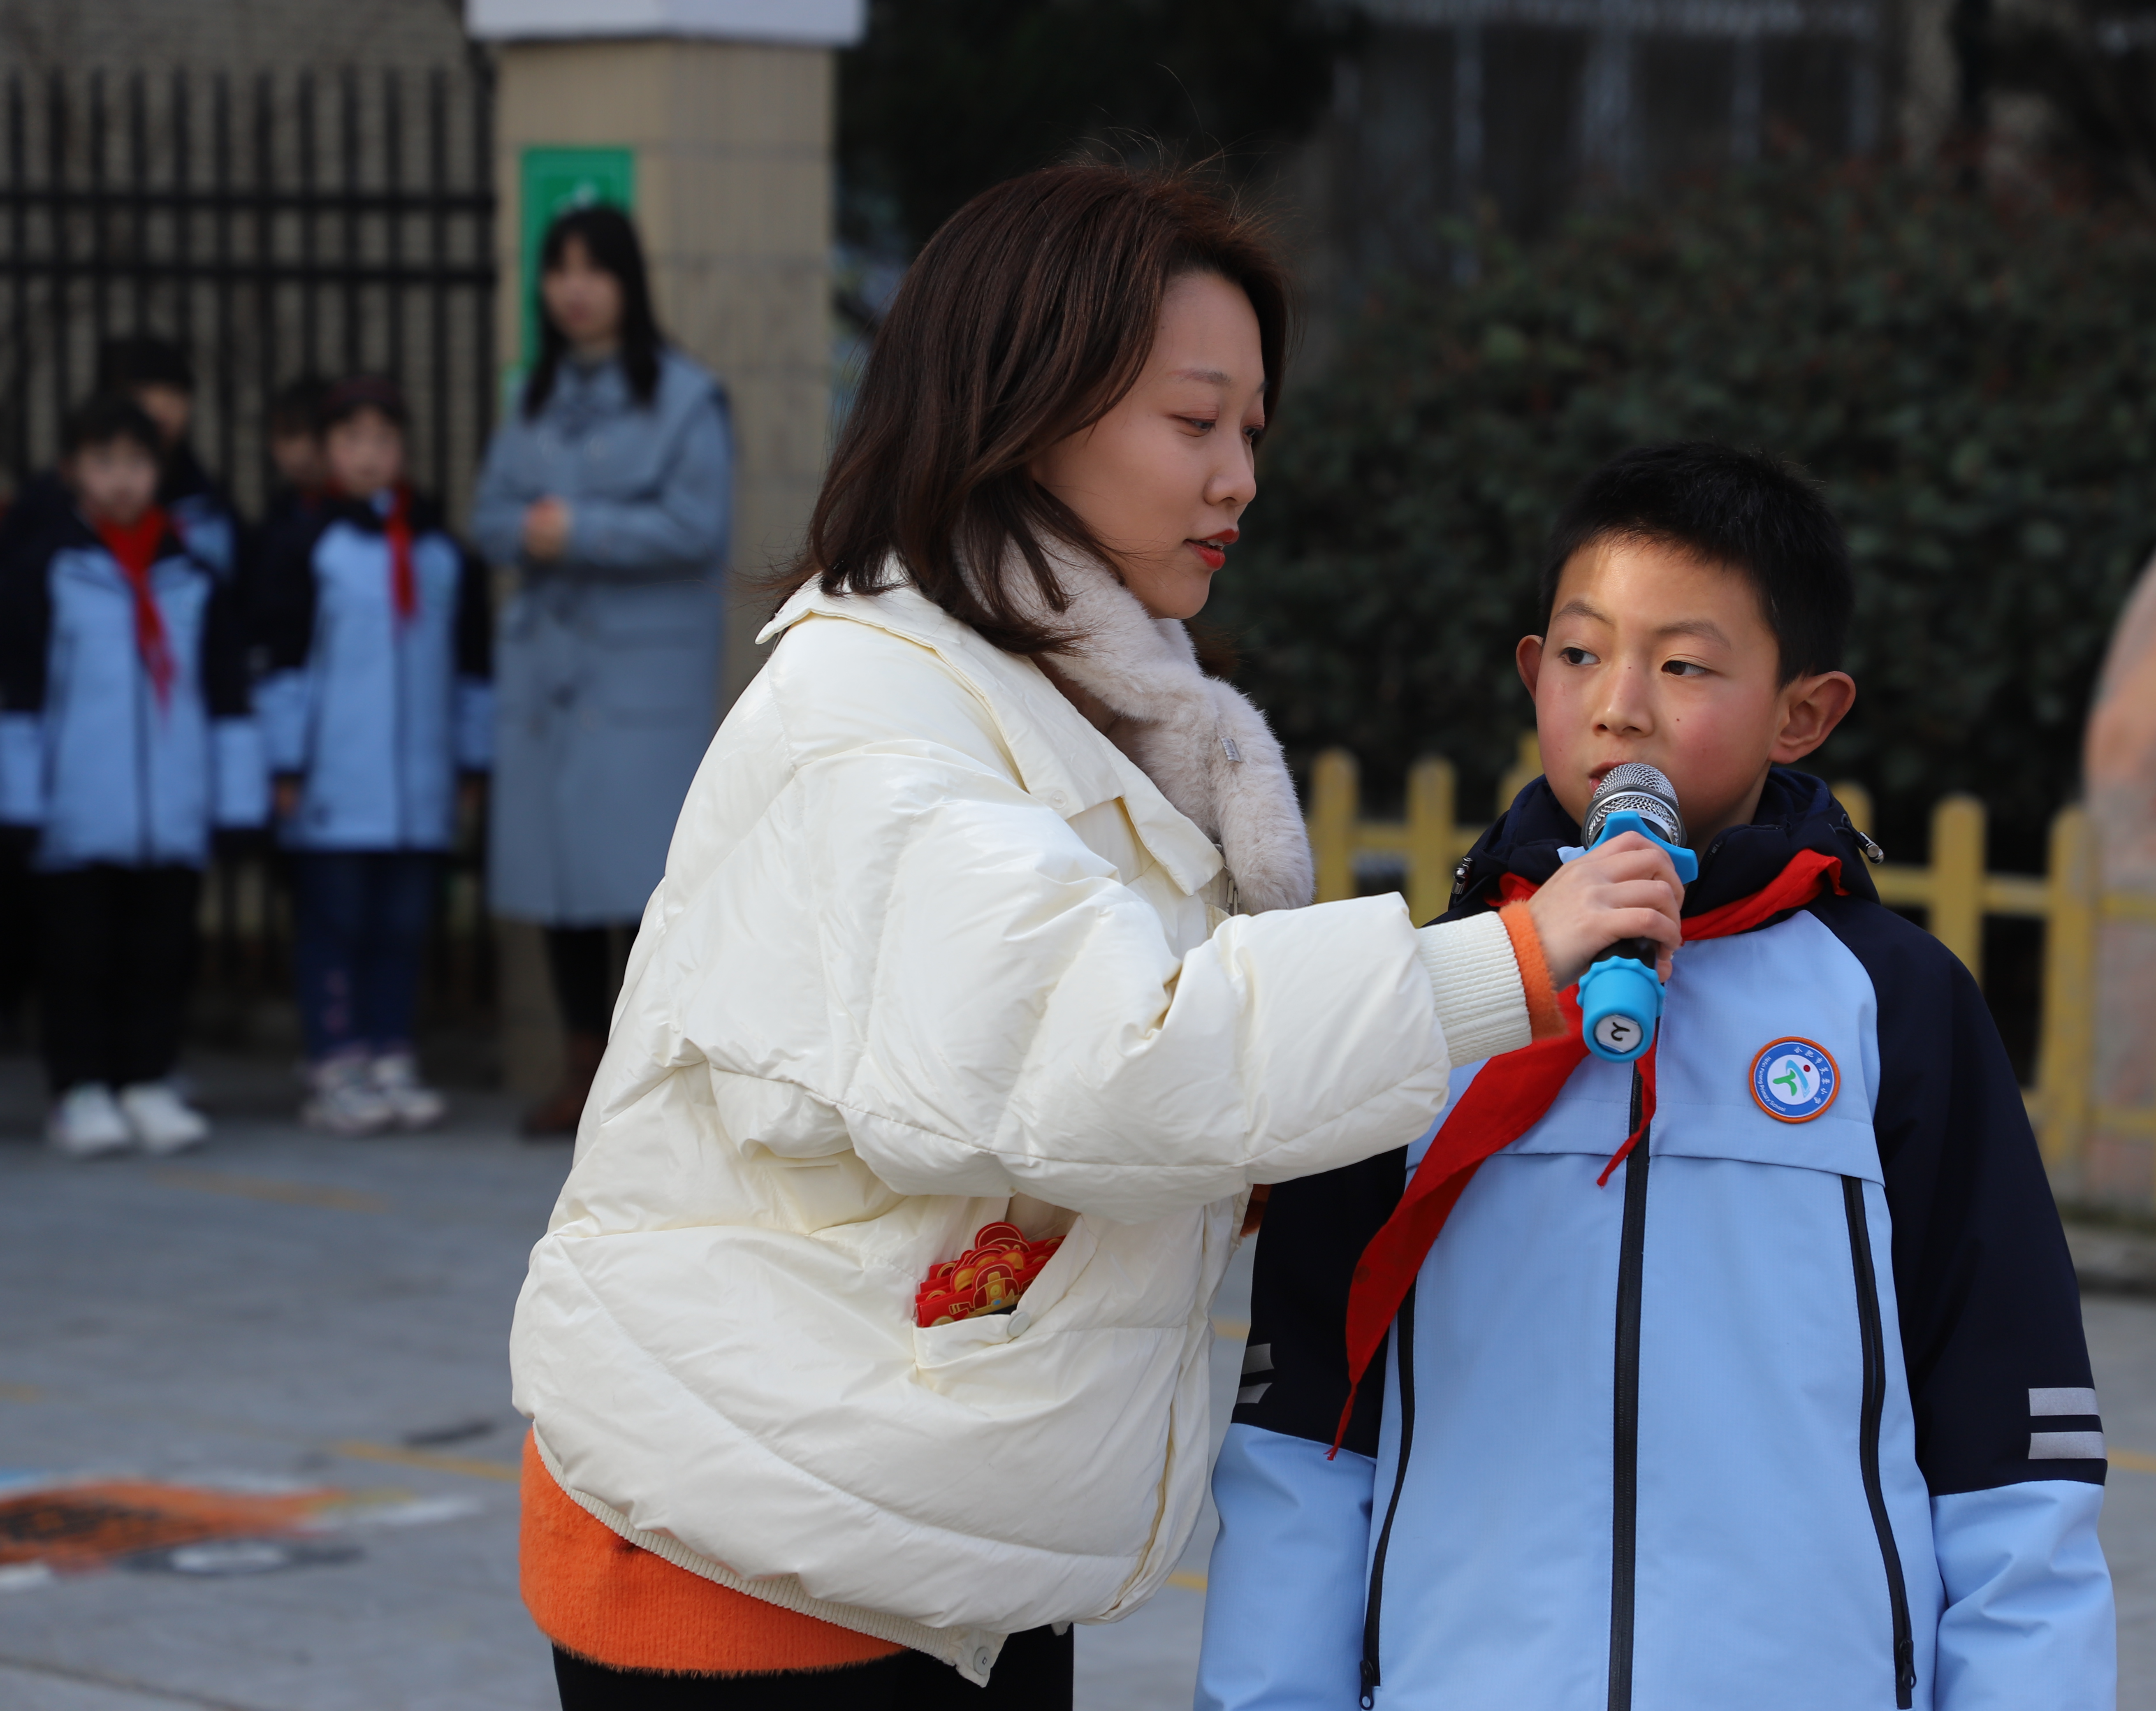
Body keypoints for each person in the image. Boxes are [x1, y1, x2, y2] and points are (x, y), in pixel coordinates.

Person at [505, 163, 1686, 1709]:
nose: (1238, 478)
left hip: (921, 1528)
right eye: (1194, 422)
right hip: (760, 1553)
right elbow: (1119, 1052)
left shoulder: (1073, 700)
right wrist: (1509, 965)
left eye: (1253, 429)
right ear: (1023, 408)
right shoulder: (880, 717)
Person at [1194, 443, 2117, 1711]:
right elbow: (1306, 1428)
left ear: (1804, 711)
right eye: (1579, 654)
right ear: (1532, 674)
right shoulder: (1422, 996)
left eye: (1682, 666)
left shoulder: (1894, 1007)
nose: (1619, 705)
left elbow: (2011, 1445)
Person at [468, 204, 732, 1136]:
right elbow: (491, 515)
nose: (574, 289)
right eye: (559, 269)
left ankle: (648, 1085)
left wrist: (579, 529)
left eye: (595, 269)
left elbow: (699, 527)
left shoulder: (686, 399)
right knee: (561, 884)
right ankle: (583, 1069)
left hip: (638, 690)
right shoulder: (531, 399)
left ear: (629, 283)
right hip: (550, 680)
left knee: (643, 887)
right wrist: (533, 529)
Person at [0, 394, 264, 1156]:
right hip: (76, 813)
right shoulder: (47, 570)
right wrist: (19, 799)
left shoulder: (191, 575)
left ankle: (148, 1079)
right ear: (73, 470)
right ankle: (79, 1089)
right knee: (78, 957)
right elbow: (21, 695)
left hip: (170, 814)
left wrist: (237, 801)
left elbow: (225, 699)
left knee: (160, 952)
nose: (121, 479)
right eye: (104, 461)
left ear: (159, 470)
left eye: (137, 462)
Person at [250, 377, 492, 1135]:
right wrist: (286, 765)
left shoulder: (443, 554)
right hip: (334, 783)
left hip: (417, 788)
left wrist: (471, 763)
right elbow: (284, 664)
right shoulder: (307, 547)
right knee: (335, 923)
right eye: (351, 440)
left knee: (403, 925)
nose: (368, 455)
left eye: (383, 440)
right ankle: (334, 1058)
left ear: (404, 451)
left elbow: (471, 667)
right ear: (326, 453)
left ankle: (391, 1053)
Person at [99, 336, 239, 582]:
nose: (159, 408)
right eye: (142, 394)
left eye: (173, 393)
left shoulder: (208, 501)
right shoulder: (71, 502)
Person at [254, 374, 336, 581]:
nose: (303, 451)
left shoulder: (369, 521)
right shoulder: (274, 520)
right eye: (289, 434)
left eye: (316, 436)